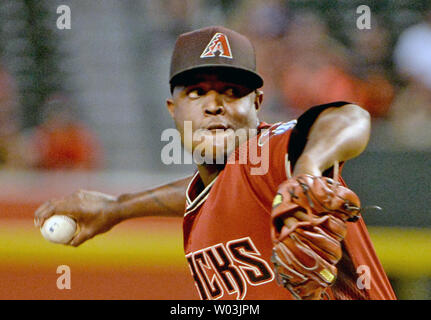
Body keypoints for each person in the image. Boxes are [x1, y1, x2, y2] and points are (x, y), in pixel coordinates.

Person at [34, 26, 395, 300]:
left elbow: (349, 117)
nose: (214, 104)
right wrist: (116, 207)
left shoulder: (273, 153)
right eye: (196, 92)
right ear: (173, 110)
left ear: (257, 104)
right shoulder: (212, 194)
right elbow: (211, 195)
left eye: (232, 92)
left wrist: (306, 173)